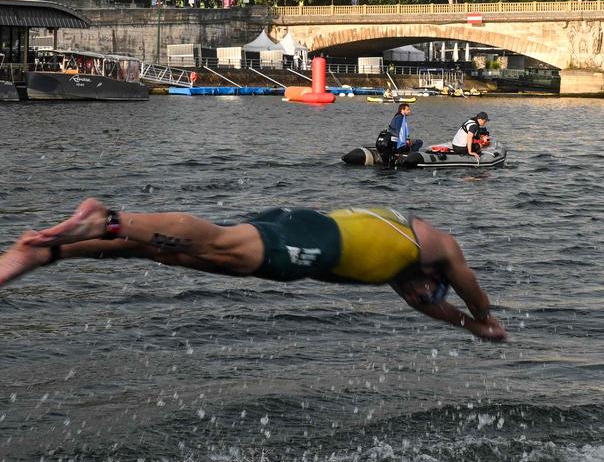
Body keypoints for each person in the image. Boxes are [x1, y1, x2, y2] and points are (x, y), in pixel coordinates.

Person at [0, 198, 507, 341]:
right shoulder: (432, 247)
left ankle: (49, 253)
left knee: (171, 253)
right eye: (425, 294)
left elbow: (438, 310)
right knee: (222, 244)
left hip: (302, 231)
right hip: (314, 239)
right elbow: (468, 285)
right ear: (429, 278)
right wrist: (483, 317)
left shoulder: (404, 273)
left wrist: (465, 326)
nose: (420, 300)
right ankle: (108, 219)